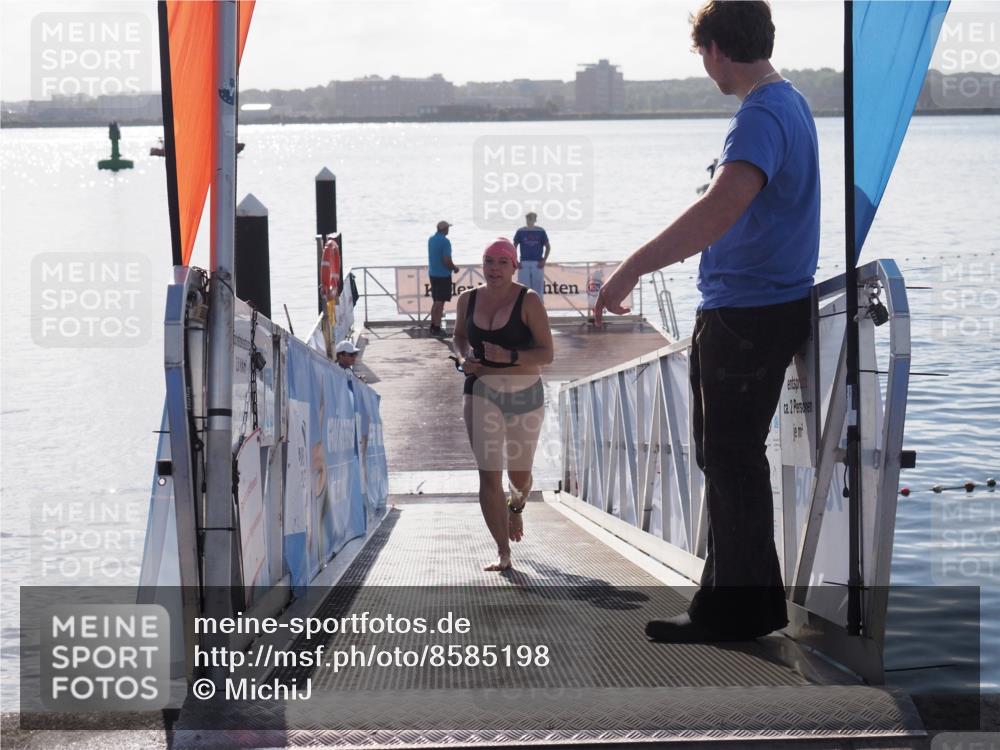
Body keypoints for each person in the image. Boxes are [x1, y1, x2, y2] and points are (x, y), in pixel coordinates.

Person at [595, 0, 819, 643]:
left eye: (702, 54)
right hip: (764, 304)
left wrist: (633, 267)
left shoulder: (759, 114)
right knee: (729, 458)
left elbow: (721, 210)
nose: (705, 68)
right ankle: (726, 602)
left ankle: (739, 611)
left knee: (730, 457)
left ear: (718, 48)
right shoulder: (792, 104)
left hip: (747, 311)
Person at [453, 238, 554, 571]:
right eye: (488, 261)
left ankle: (516, 506)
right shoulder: (467, 300)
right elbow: (459, 337)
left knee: (519, 476)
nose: (494, 268)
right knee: (488, 474)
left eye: (501, 262)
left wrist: (510, 355)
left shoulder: (529, 300)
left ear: (514, 266)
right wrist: (463, 357)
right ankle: (503, 553)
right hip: (481, 390)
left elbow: (547, 354)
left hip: (525, 392)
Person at [427, 220, 460, 336]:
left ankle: (432, 325)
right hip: (442, 275)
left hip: (433, 273)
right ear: (444, 229)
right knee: (440, 303)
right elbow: (446, 260)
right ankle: (437, 327)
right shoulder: (445, 242)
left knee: (435, 301)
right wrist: (454, 268)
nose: (448, 230)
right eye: (447, 228)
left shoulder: (431, 239)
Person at [512, 212, 550, 299]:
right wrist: (516, 261)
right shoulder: (520, 231)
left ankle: (538, 308)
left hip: (537, 262)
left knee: (538, 288)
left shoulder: (541, 231)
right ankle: (523, 308)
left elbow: (547, 246)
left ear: (535, 220)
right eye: (528, 218)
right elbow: (514, 246)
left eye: (531, 218)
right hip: (524, 262)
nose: (529, 220)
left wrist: (544, 260)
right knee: (523, 288)